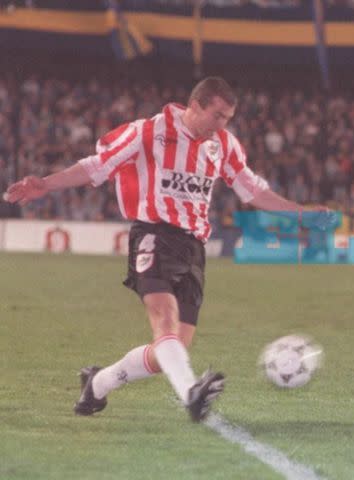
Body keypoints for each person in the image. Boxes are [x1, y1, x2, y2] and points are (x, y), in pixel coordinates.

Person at [3, 77, 334, 422]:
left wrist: (301, 213)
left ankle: (97, 384)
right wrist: (45, 184)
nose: (222, 125)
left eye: (228, 118)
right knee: (164, 320)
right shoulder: (149, 132)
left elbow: (253, 191)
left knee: (171, 349)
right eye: (217, 115)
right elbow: (95, 166)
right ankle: (191, 393)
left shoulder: (224, 145)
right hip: (153, 234)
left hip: (193, 247)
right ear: (195, 105)